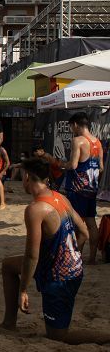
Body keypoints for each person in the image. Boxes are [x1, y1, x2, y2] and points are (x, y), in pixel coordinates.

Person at [0, 157, 110, 344]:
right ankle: (8, 323)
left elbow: (31, 256)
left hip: (60, 277)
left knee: (58, 336)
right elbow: (83, 232)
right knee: (8, 266)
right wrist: (73, 256)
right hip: (67, 267)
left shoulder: (35, 209)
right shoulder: (60, 197)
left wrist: (23, 290)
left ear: (27, 178)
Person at [59, 112, 104, 264]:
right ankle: (91, 258)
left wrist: (61, 164)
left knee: (78, 225)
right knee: (91, 223)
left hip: (78, 189)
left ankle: (76, 256)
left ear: (76, 125)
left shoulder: (78, 140)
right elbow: (101, 167)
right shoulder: (98, 142)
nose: (72, 129)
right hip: (92, 188)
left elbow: (73, 165)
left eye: (71, 126)